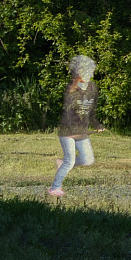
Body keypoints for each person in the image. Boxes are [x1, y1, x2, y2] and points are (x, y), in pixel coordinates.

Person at [47, 54, 99, 199]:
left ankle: (61, 164)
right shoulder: (71, 89)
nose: (90, 75)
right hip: (68, 132)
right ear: (78, 74)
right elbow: (68, 114)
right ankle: (54, 188)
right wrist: (73, 130)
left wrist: (97, 124)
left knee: (88, 160)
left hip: (81, 132)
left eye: (91, 72)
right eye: (86, 72)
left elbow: (91, 111)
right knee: (70, 161)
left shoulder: (93, 88)